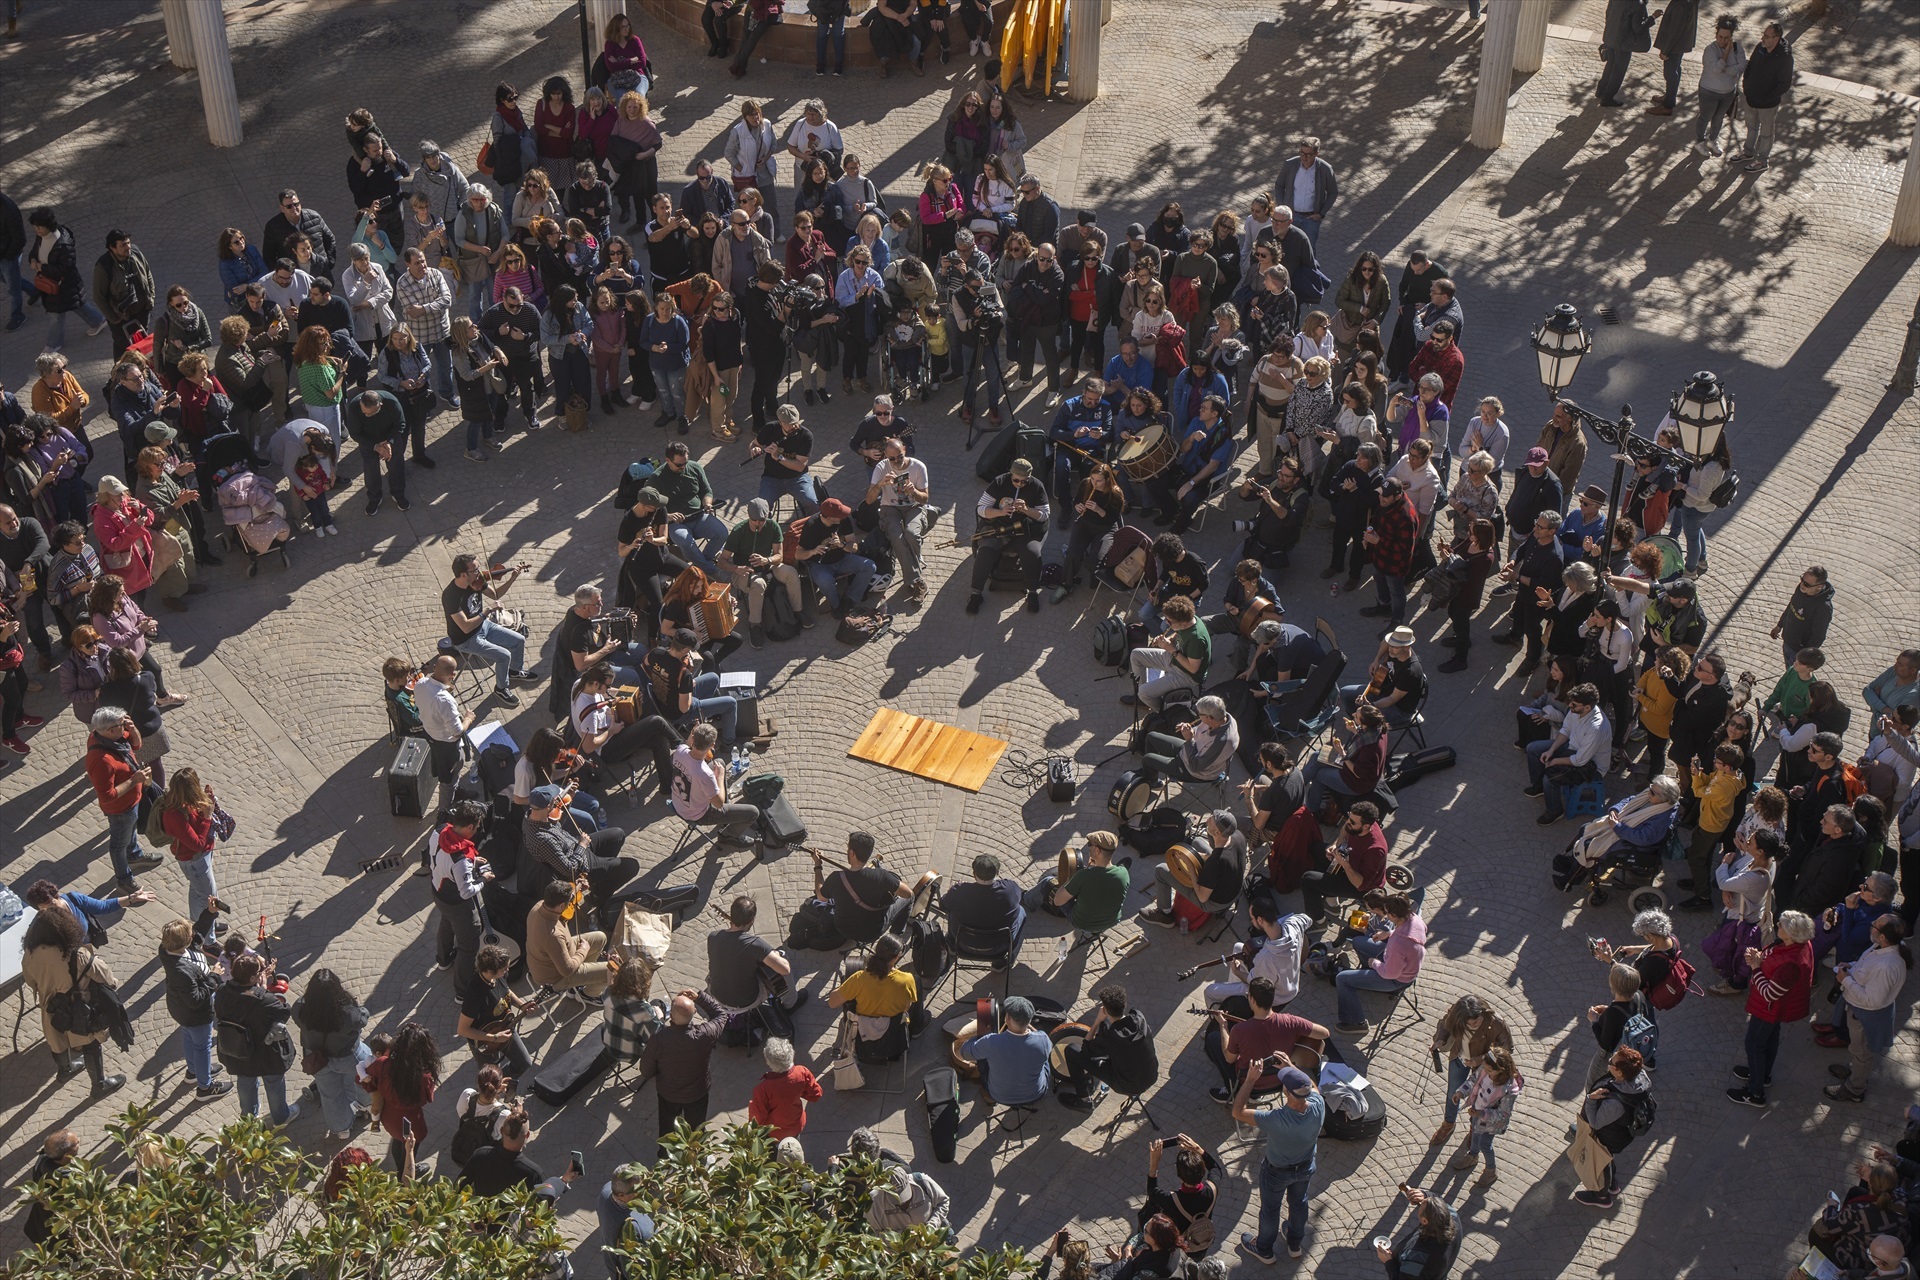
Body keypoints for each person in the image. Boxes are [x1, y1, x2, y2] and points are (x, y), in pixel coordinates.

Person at [22, 884, 131, 1094]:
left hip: (50, 1005)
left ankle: (65, 1070)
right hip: (79, 1007)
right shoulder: (77, 954)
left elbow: (30, 979)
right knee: (90, 1044)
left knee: (57, 1041)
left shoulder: (31, 951)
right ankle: (99, 1085)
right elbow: (106, 977)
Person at [1235, 1060, 1323, 1262]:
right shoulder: (1319, 1105)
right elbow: (1314, 1087)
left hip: (1276, 1172)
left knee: (1270, 1210)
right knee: (1299, 1203)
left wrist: (1249, 1080)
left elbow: (1238, 1111)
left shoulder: (1276, 1118)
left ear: (1287, 1093)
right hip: (1306, 1166)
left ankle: (1264, 1248)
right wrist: (1292, 1067)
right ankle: (1294, 1243)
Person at [1728, 909, 1815, 1108]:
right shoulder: (1798, 945)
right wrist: (1760, 958)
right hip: (1774, 1008)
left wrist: (1756, 967)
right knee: (1769, 1040)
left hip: (1770, 1008)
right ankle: (1761, 1074)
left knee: (1755, 1044)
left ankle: (1755, 1092)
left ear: (1792, 935)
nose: (1777, 926)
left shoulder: (1791, 965)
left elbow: (1769, 993)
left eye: (1781, 926)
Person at [1824, 914, 1911, 1103]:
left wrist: (1845, 980)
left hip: (1865, 1015)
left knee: (1861, 1052)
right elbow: (1866, 966)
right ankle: (1856, 1072)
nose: (1871, 926)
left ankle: (1855, 1088)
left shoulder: (1887, 966)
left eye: (1875, 925)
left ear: (1882, 937)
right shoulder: (1882, 947)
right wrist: (1851, 967)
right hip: (1859, 1010)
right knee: (1857, 1050)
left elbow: (1872, 1000)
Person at [1201, 973, 1328, 1103]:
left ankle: (1231, 1090)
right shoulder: (1290, 1021)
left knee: (1213, 1038)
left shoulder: (1239, 1030)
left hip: (1249, 1082)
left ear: (1252, 1000)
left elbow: (1229, 1058)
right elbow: (1324, 1033)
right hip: (1280, 1079)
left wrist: (1223, 1026)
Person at [634, 989, 729, 1158]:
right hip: (697, 1094)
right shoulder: (705, 1034)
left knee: (667, 1127)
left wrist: (658, 1073)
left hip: (668, 1094)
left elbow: (646, 1071)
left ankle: (665, 1154)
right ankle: (697, 1156)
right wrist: (700, 998)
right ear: (692, 1014)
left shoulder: (659, 1039)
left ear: (671, 1017)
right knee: (697, 1128)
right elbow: (721, 1015)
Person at [214, 952, 299, 1125]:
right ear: (252, 977)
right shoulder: (264, 999)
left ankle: (248, 1118)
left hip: (237, 1049)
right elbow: (283, 1012)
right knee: (273, 1082)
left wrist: (258, 986)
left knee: (245, 1081)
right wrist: (263, 988)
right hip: (265, 1052)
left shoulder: (222, 991)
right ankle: (281, 1117)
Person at [159, 911, 233, 1101]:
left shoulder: (169, 948)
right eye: (189, 935)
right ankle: (205, 1087)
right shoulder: (180, 971)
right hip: (195, 1014)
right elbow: (196, 999)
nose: (194, 935)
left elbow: (197, 932)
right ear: (184, 942)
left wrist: (209, 913)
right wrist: (215, 976)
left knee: (189, 1038)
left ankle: (193, 1071)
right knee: (202, 1047)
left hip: (181, 1010)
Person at [811, 831, 938, 942]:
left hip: (843, 928)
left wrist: (818, 866)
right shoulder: (881, 876)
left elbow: (821, 897)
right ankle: (895, 939)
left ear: (852, 853)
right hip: (872, 932)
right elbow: (908, 894)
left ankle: (894, 939)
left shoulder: (836, 878)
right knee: (909, 899)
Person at [443, 552, 532, 707]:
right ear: (463, 574)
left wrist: (512, 578)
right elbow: (465, 627)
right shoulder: (451, 596)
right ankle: (501, 688)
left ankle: (515, 671)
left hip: (483, 625)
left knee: (519, 640)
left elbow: (496, 594)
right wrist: (487, 611)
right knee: (504, 655)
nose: (480, 572)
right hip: (466, 639)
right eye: (475, 570)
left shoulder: (477, 581)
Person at [292, 968, 372, 1139]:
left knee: (330, 1095)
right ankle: (367, 1104)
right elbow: (362, 1019)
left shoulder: (300, 1009)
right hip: (348, 1057)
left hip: (317, 1059)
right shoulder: (348, 1012)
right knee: (367, 1078)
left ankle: (341, 1129)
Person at [1139, 808, 1245, 931]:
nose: (1208, 819)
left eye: (1212, 820)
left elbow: (1202, 897)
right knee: (1197, 842)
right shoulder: (1237, 835)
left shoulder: (1216, 862)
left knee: (1161, 870)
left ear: (1217, 832)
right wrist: (1199, 856)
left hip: (1216, 902)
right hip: (1235, 888)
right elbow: (1220, 854)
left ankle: (1165, 915)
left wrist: (1189, 864)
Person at [1334, 892, 1426, 1033]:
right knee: (1359, 942)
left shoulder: (1399, 944)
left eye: (1387, 913)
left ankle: (1356, 1023)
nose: (1385, 915)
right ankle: (1364, 977)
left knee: (1342, 979)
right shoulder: (1415, 918)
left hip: (1396, 980)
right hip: (1397, 962)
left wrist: (1374, 963)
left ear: (1394, 916)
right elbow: (1402, 934)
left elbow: (1390, 973)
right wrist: (1389, 933)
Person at [1574, 1045, 1653, 1208]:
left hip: (1610, 1137)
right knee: (1607, 1160)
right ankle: (1612, 1185)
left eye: (1611, 1061)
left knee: (1602, 1162)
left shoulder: (1615, 1104)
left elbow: (1595, 1122)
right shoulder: (1640, 1075)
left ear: (1619, 1072)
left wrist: (1591, 1099)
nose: (1608, 1062)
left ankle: (1602, 1197)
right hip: (1621, 1133)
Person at [1524, 682, 1610, 825]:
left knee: (1550, 776)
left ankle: (1555, 811)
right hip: (1573, 748)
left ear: (1587, 707)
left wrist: (1555, 761)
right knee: (1533, 749)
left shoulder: (1596, 728)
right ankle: (1539, 787)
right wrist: (1551, 751)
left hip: (1591, 765)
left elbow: (1580, 760)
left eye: (1574, 705)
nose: (1570, 706)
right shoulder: (1577, 709)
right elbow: (1566, 730)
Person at [363, 1022, 440, 1178]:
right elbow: (427, 1098)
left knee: (397, 1142)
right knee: (409, 1148)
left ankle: (400, 1168)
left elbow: (365, 1080)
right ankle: (403, 1174)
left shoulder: (383, 1064)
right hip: (410, 1122)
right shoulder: (423, 1076)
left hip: (389, 1116)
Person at [669, 722, 759, 848]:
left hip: (679, 802)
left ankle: (725, 819)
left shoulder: (680, 750)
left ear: (693, 737)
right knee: (753, 813)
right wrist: (720, 777)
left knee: (719, 762)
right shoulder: (705, 774)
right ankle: (727, 836)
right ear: (712, 745)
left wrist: (694, 731)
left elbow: (687, 743)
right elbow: (718, 804)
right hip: (698, 814)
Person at [1302, 801, 1389, 923]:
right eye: (1349, 818)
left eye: (1353, 822)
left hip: (1359, 886)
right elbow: (1346, 829)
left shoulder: (1375, 850)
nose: (1348, 822)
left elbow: (1360, 884)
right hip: (1347, 862)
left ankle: (1318, 921)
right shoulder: (1360, 825)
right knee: (1316, 848)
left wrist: (1344, 864)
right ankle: (1331, 901)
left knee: (1308, 879)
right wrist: (1336, 847)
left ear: (1366, 826)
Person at [458, 944, 537, 1077]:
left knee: (523, 1062)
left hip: (505, 1026)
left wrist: (521, 1005)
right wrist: (494, 1038)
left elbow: (506, 990)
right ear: (489, 971)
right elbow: (462, 1030)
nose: (507, 971)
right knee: (490, 1076)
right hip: (486, 1039)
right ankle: (493, 1088)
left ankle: (500, 1083)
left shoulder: (498, 976)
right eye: (504, 969)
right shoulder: (475, 994)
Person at [1123, 595, 1210, 713]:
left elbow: (1193, 669)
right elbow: (1178, 634)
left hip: (1186, 675)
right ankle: (1144, 699)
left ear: (1183, 622)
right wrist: (1169, 641)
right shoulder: (1188, 620)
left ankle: (1163, 712)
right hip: (1175, 659)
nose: (1167, 623)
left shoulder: (1197, 639)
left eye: (1169, 621)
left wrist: (1171, 649)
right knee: (1136, 655)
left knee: (1143, 692)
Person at [963, 995, 1052, 1106]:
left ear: (1007, 1019)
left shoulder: (990, 1041)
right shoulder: (1043, 1039)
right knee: (1045, 1059)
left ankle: (989, 1097)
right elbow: (1043, 1041)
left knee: (982, 1059)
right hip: (1035, 1095)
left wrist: (979, 1037)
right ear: (1029, 1021)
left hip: (999, 1096)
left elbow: (965, 1053)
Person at [941, 852, 1025, 969]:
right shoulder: (1010, 888)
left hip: (962, 944)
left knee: (952, 908)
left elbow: (943, 905)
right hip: (999, 947)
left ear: (974, 874)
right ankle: (1002, 963)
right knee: (1021, 911)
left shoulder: (959, 891)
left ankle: (951, 948)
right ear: (997, 872)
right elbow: (1019, 897)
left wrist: (955, 889)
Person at [1303, 703, 1388, 817]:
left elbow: (1358, 773)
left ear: (1365, 723)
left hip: (1356, 783)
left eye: (1356, 716)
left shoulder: (1370, 748)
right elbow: (1363, 737)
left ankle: (1312, 809)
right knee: (1316, 756)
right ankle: (1297, 785)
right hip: (1351, 762)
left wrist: (1342, 753)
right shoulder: (1378, 729)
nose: (1352, 714)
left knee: (1319, 775)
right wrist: (1355, 730)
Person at [1051, 830, 1130, 941]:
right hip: (1112, 921)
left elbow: (1057, 901)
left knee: (1051, 885)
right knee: (1127, 861)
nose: (1088, 848)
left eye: (1090, 845)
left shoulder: (1082, 876)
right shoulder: (1124, 873)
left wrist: (1069, 880)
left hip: (1082, 924)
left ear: (1097, 850)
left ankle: (1027, 899)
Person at [1737, 21, 1793, 173]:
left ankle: (1762, 161)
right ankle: (1748, 152)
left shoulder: (1785, 58)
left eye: (1767, 36)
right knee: (1751, 127)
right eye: (1763, 34)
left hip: (1768, 104)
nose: (1763, 38)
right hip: (1751, 98)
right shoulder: (1760, 47)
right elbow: (1750, 66)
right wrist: (1746, 85)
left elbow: (1784, 84)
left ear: (1776, 39)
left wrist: (1768, 97)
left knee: (1766, 133)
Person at [1377, 1186, 1462, 1279]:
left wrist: (1388, 1261)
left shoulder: (1417, 1257)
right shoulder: (1452, 1218)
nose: (1419, 1203)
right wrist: (1424, 1195)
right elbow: (1439, 1201)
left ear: (1425, 1221)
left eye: (1421, 1206)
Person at [748, 1038, 823, 1141]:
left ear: (769, 1062)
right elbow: (816, 1094)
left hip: (775, 1133)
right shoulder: (802, 1072)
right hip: (797, 1124)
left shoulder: (762, 1089)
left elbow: (758, 1120)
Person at [1693, 15, 1747, 155]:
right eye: (1720, 37)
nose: (1722, 41)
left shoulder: (1737, 48)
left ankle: (1713, 140)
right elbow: (1716, 69)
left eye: (1726, 38)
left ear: (1731, 37)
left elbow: (1742, 66)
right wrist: (1726, 54)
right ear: (1716, 35)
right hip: (1709, 91)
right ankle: (1700, 142)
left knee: (1719, 117)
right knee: (1705, 117)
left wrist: (1727, 70)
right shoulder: (1710, 50)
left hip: (1728, 92)